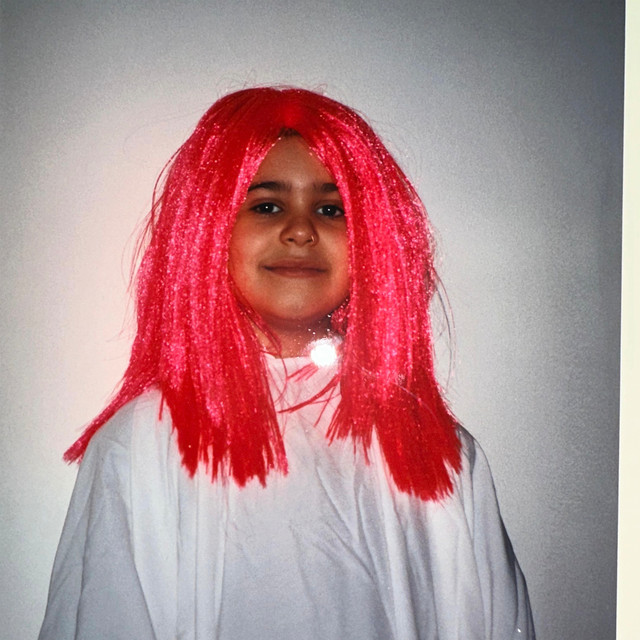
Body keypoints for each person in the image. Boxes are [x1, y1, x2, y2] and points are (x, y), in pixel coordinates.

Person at [39, 87, 535, 639]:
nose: (300, 231)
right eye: (267, 206)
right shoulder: (142, 443)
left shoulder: (436, 453)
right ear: (208, 229)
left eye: (331, 209)